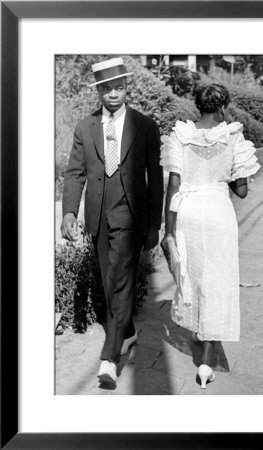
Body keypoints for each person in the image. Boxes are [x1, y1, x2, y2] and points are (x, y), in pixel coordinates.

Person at [61, 57, 164, 385]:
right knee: (110, 281)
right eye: (107, 89)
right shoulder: (85, 127)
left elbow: (155, 179)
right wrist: (69, 212)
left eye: (118, 88)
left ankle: (109, 358)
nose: (113, 95)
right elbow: (75, 173)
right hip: (98, 217)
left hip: (131, 217)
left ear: (126, 88)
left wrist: (153, 225)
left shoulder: (145, 126)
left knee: (120, 280)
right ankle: (129, 331)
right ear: (99, 92)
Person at [160, 84, 260, 389]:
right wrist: (224, 173)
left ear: (198, 107)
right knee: (218, 279)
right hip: (218, 213)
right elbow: (241, 190)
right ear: (223, 107)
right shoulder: (233, 137)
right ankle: (205, 361)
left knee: (193, 275)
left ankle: (196, 330)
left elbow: (174, 185)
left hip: (188, 211)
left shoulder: (180, 135)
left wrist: (168, 230)